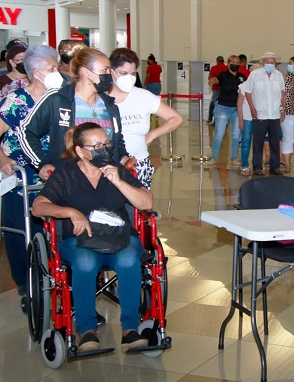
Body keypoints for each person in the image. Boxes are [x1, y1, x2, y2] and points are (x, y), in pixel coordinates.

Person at [32, 122, 153, 354]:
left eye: (106, 144)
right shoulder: (66, 174)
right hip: (79, 239)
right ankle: (87, 330)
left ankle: (130, 329)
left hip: (118, 237)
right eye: (95, 146)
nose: (103, 150)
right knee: (86, 263)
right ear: (80, 151)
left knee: (129, 260)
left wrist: (118, 181)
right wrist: (70, 212)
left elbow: (147, 202)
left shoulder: (117, 169)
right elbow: (39, 206)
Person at [0, 45, 60, 302]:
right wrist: (2, 158)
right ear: (37, 72)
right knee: (21, 231)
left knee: (53, 231)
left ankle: (55, 279)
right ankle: (25, 284)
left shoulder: (60, 99)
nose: (58, 73)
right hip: (21, 176)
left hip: (53, 175)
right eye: (52, 69)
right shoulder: (17, 101)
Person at [18, 46, 131, 180]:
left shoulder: (110, 105)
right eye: (105, 70)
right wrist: (42, 163)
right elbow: (25, 131)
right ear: (86, 72)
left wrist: (123, 157)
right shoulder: (58, 99)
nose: (109, 75)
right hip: (69, 180)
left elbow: (117, 140)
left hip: (105, 180)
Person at [108, 48, 184, 189]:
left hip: (138, 164)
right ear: (111, 71)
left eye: (132, 73)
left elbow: (176, 118)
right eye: (123, 73)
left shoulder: (143, 96)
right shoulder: (101, 98)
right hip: (108, 166)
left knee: (139, 206)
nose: (129, 78)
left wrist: (152, 134)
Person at [241, 52, 286, 176]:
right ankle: (257, 166)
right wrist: (252, 108)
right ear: (262, 63)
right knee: (258, 142)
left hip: (275, 114)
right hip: (260, 114)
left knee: (275, 142)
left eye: (273, 62)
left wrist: (283, 109)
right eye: (268, 62)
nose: (270, 65)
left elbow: (282, 93)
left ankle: (275, 166)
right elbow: (248, 92)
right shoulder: (254, 75)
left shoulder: (279, 76)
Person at [208, 54, 247, 166]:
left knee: (236, 134)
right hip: (223, 108)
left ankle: (234, 158)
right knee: (219, 133)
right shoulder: (223, 75)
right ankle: (214, 157)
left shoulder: (242, 76)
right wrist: (212, 80)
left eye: (237, 62)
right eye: (233, 62)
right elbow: (216, 79)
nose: (235, 64)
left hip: (236, 109)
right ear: (228, 64)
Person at [207, 55, 228, 124]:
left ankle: (210, 118)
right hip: (224, 90)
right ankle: (225, 120)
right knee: (224, 104)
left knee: (213, 103)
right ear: (223, 61)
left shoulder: (214, 68)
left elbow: (210, 77)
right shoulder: (226, 68)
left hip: (216, 89)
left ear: (217, 61)